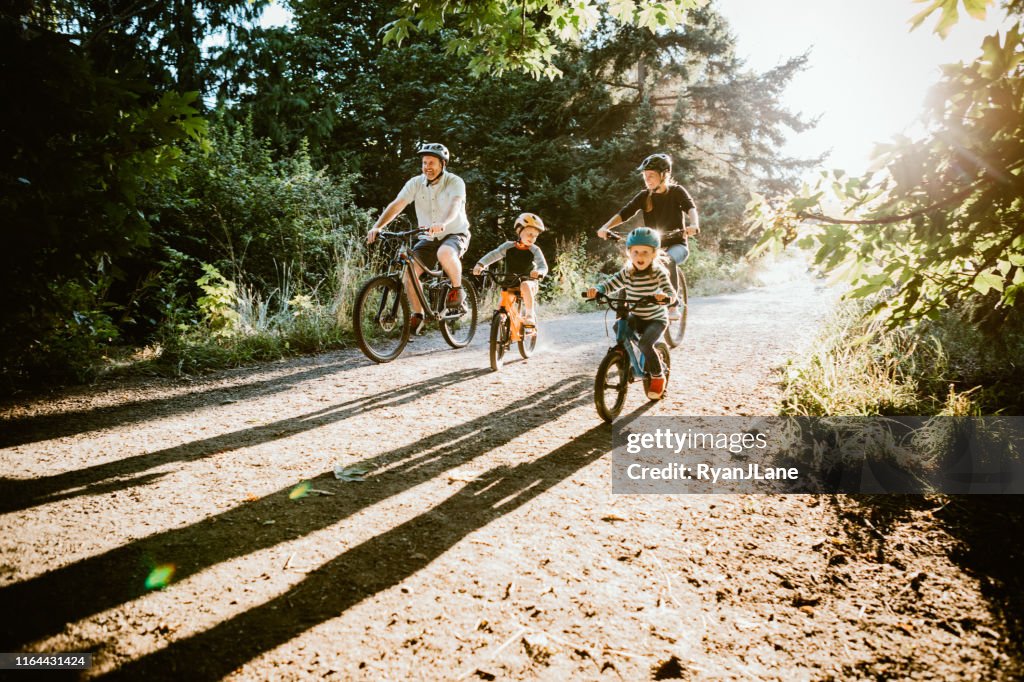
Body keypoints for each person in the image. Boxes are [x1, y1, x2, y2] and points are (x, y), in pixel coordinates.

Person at [366, 142, 470, 335]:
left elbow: (455, 205)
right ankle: (419, 314)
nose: (427, 167)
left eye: (432, 162)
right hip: (429, 236)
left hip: (454, 232)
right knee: (408, 274)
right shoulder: (415, 183)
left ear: (442, 165)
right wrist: (378, 226)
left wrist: (444, 223)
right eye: (424, 163)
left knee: (445, 253)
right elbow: (397, 205)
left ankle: (457, 291)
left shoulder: (455, 182)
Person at [596, 153, 698, 321]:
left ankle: (672, 304)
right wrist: (606, 227)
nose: (647, 179)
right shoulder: (645, 196)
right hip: (653, 247)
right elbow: (625, 213)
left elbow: (690, 208)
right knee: (631, 267)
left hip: (677, 244)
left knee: (668, 260)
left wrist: (694, 225)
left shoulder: (676, 192)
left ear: (664, 175)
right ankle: (623, 310)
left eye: (651, 175)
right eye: (645, 176)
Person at [585, 227, 675, 400]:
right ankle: (625, 360)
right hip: (637, 315)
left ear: (654, 254)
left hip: (656, 319)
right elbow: (611, 284)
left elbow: (671, 294)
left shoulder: (658, 273)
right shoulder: (628, 272)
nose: (639, 257)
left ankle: (657, 375)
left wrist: (665, 298)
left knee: (645, 345)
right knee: (618, 326)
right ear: (629, 253)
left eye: (645, 252)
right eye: (635, 252)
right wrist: (598, 290)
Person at [472, 212, 549, 327]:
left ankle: (529, 315)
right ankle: (500, 334)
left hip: (529, 282)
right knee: (502, 306)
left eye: (535, 236)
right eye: (529, 234)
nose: (532, 238)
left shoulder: (535, 250)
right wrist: (481, 264)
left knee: (525, 285)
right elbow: (494, 254)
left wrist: (539, 273)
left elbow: (543, 266)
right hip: (511, 283)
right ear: (519, 231)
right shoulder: (508, 246)